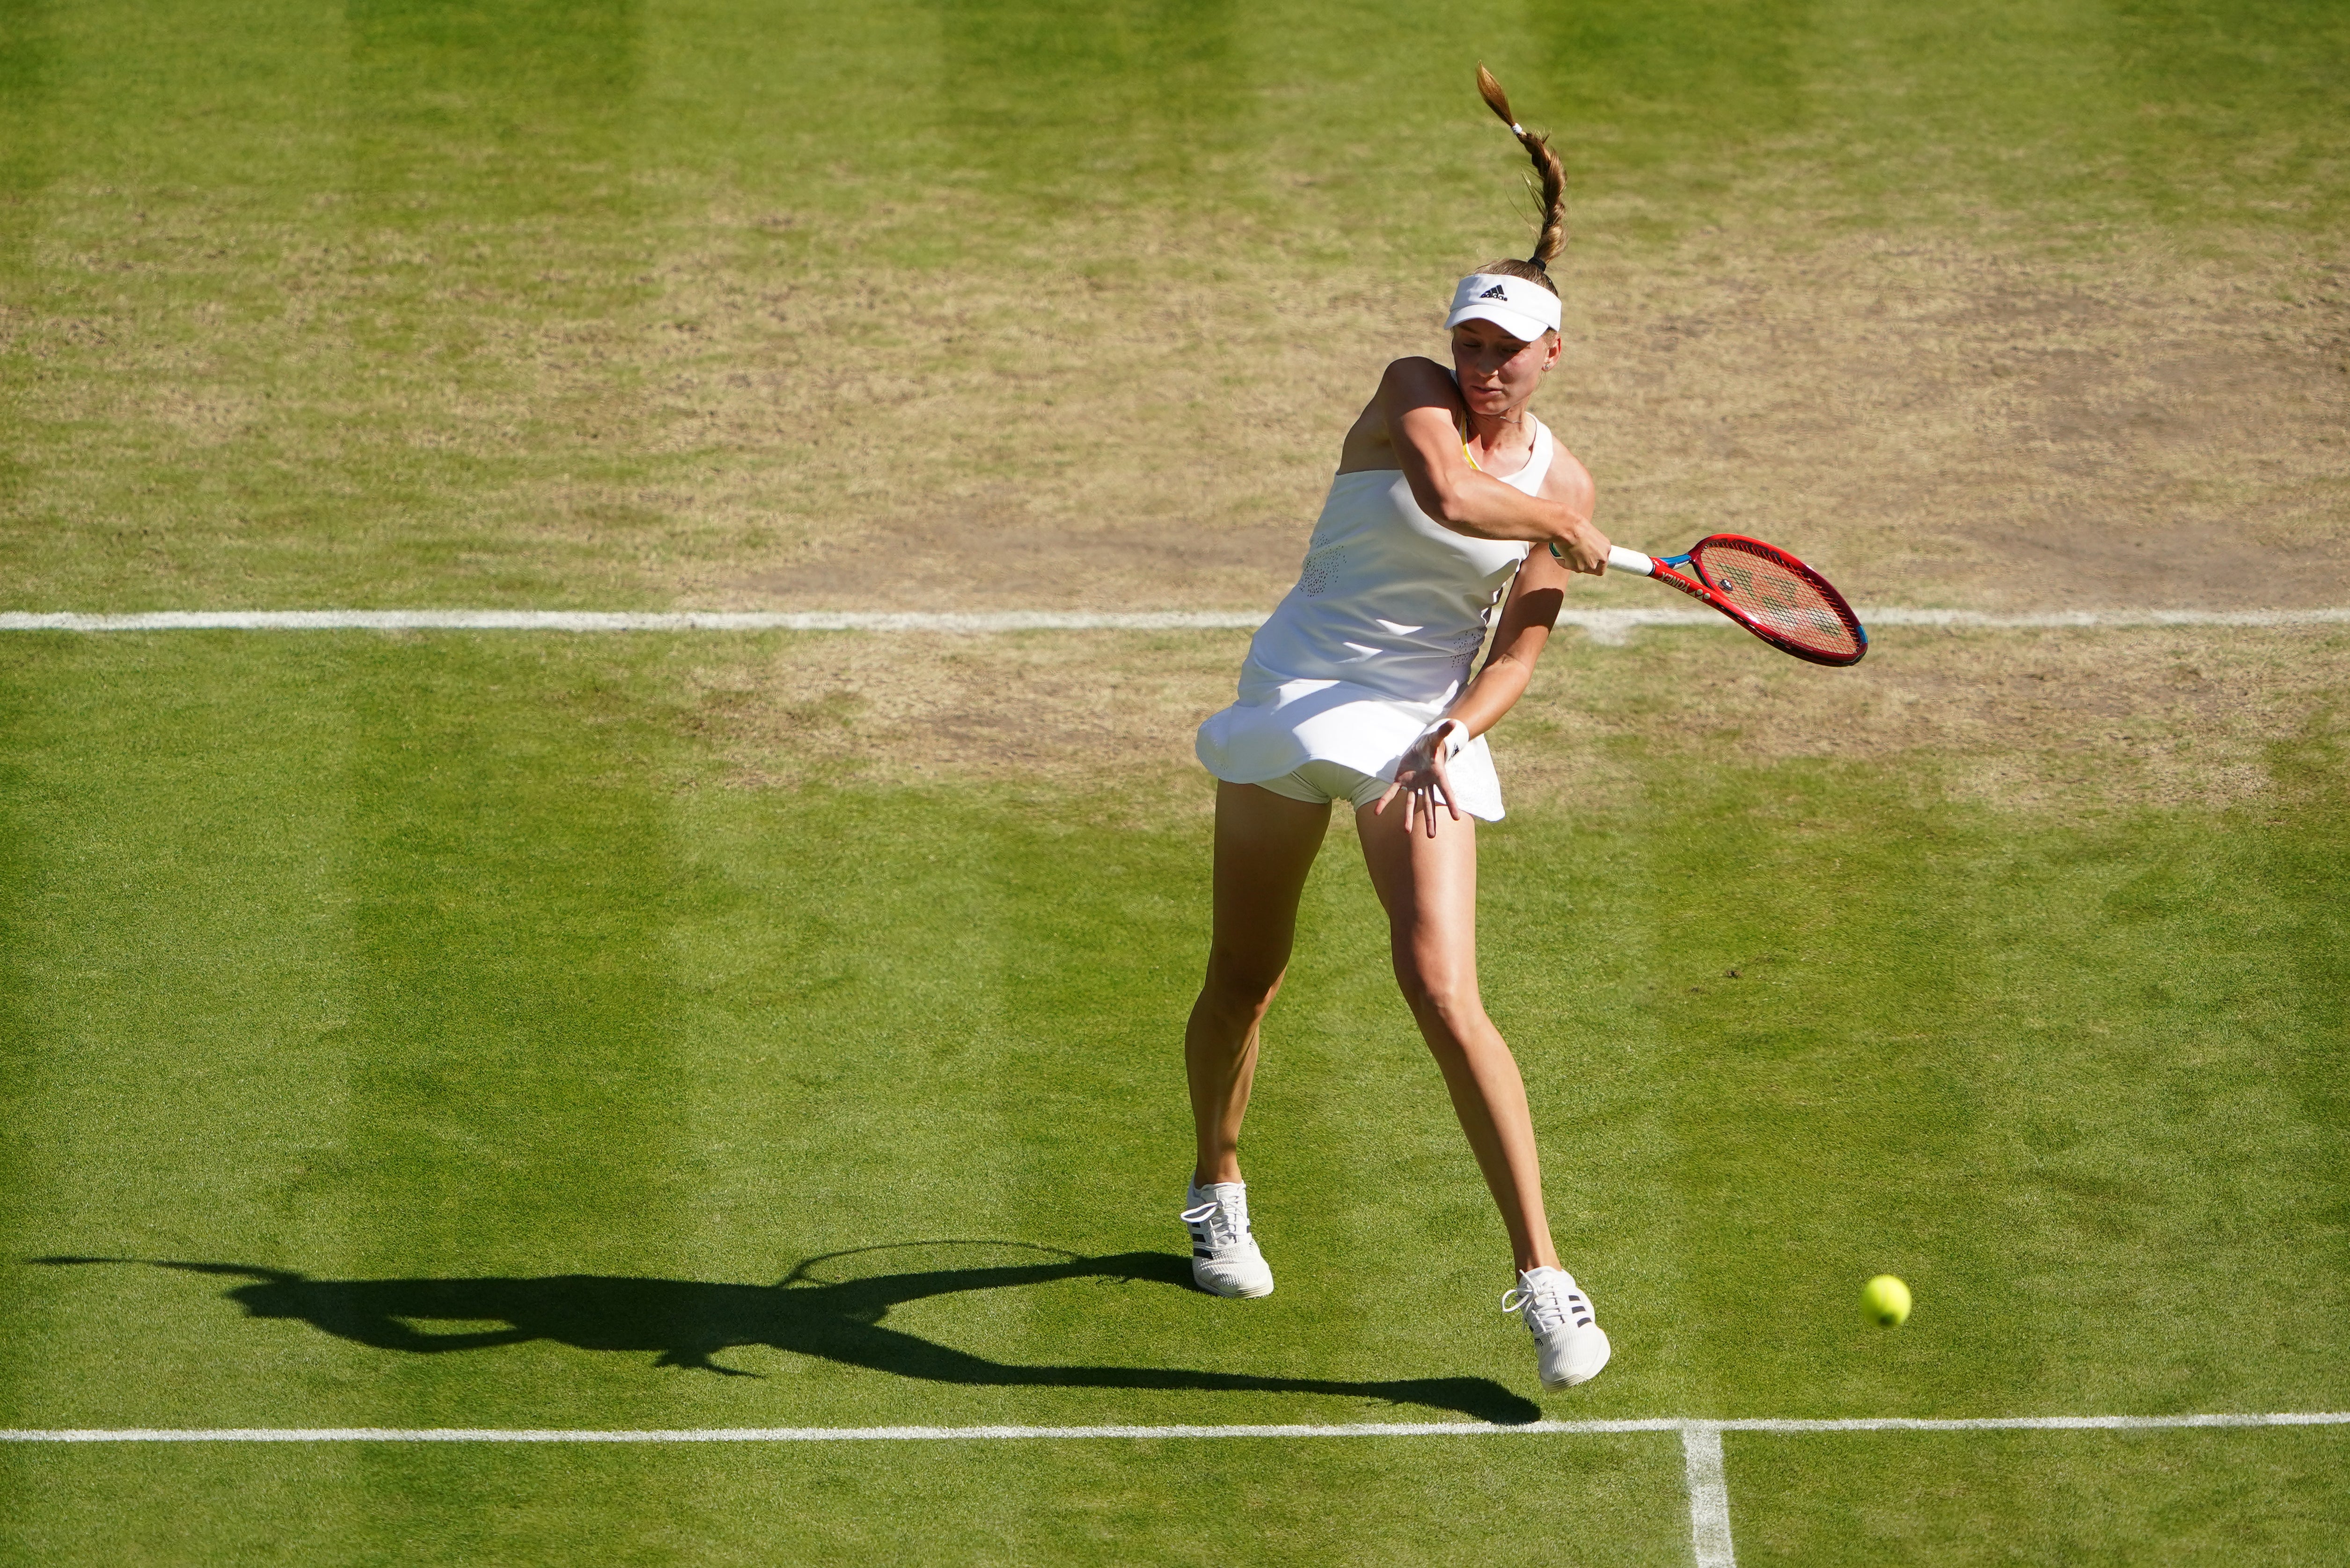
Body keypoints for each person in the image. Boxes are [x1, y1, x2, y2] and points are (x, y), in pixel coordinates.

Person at [1180, 69, 1614, 1392]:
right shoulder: (1411, 393)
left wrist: (1458, 731)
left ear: (1553, 355)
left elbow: (1519, 645)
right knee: (1249, 968)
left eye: (1505, 351)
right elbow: (1452, 494)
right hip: (1300, 686)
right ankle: (1217, 1183)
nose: (1481, 368)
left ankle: (1544, 1276)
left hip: (1416, 727)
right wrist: (1557, 527)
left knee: (1443, 992)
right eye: (1471, 343)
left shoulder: (1572, 479)